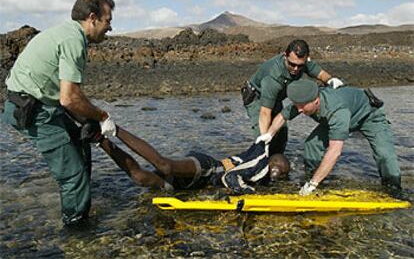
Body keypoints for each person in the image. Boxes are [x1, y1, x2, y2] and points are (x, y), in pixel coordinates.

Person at [2, 0, 119, 225]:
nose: (110, 28)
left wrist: (88, 121)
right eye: (108, 21)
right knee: (73, 176)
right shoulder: (73, 40)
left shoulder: (66, 32)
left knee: (80, 147)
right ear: (93, 17)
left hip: (38, 104)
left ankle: (78, 200)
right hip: (32, 111)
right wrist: (103, 116)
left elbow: (65, 98)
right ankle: (76, 231)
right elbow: (69, 98)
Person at [264, 79, 401, 195]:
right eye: (297, 106)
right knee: (312, 145)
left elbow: (335, 151)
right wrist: (268, 136)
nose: (299, 110)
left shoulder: (336, 111)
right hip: (337, 118)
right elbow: (282, 116)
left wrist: (313, 184)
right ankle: (314, 178)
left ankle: (393, 189)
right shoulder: (303, 100)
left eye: (302, 107)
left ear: (316, 101)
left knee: (384, 155)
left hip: (368, 117)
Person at [82, 122, 290, 194]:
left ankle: (100, 139)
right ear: (272, 162)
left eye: (282, 175)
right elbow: (231, 178)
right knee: (165, 166)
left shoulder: (264, 175)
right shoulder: (259, 162)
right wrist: (249, 193)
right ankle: (114, 128)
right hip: (208, 167)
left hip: (195, 185)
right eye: (279, 170)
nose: (277, 175)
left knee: (140, 178)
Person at [242, 39, 344, 158]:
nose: (296, 69)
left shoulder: (302, 62)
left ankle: (277, 162)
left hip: (276, 98)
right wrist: (264, 141)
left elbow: (320, 74)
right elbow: (265, 112)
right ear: (285, 56)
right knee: (262, 137)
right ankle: (260, 160)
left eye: (300, 66)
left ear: (306, 59)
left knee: (280, 133)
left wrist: (331, 80)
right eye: (292, 64)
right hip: (257, 97)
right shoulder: (273, 78)